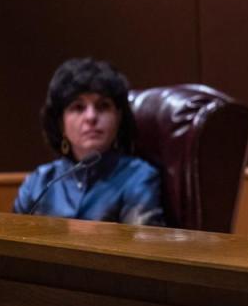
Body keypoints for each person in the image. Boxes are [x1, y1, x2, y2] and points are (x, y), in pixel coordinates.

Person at [13, 58, 164, 225]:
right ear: (60, 123)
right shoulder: (39, 181)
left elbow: (141, 249)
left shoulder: (138, 177)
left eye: (103, 106)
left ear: (119, 118)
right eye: (78, 107)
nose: (91, 117)